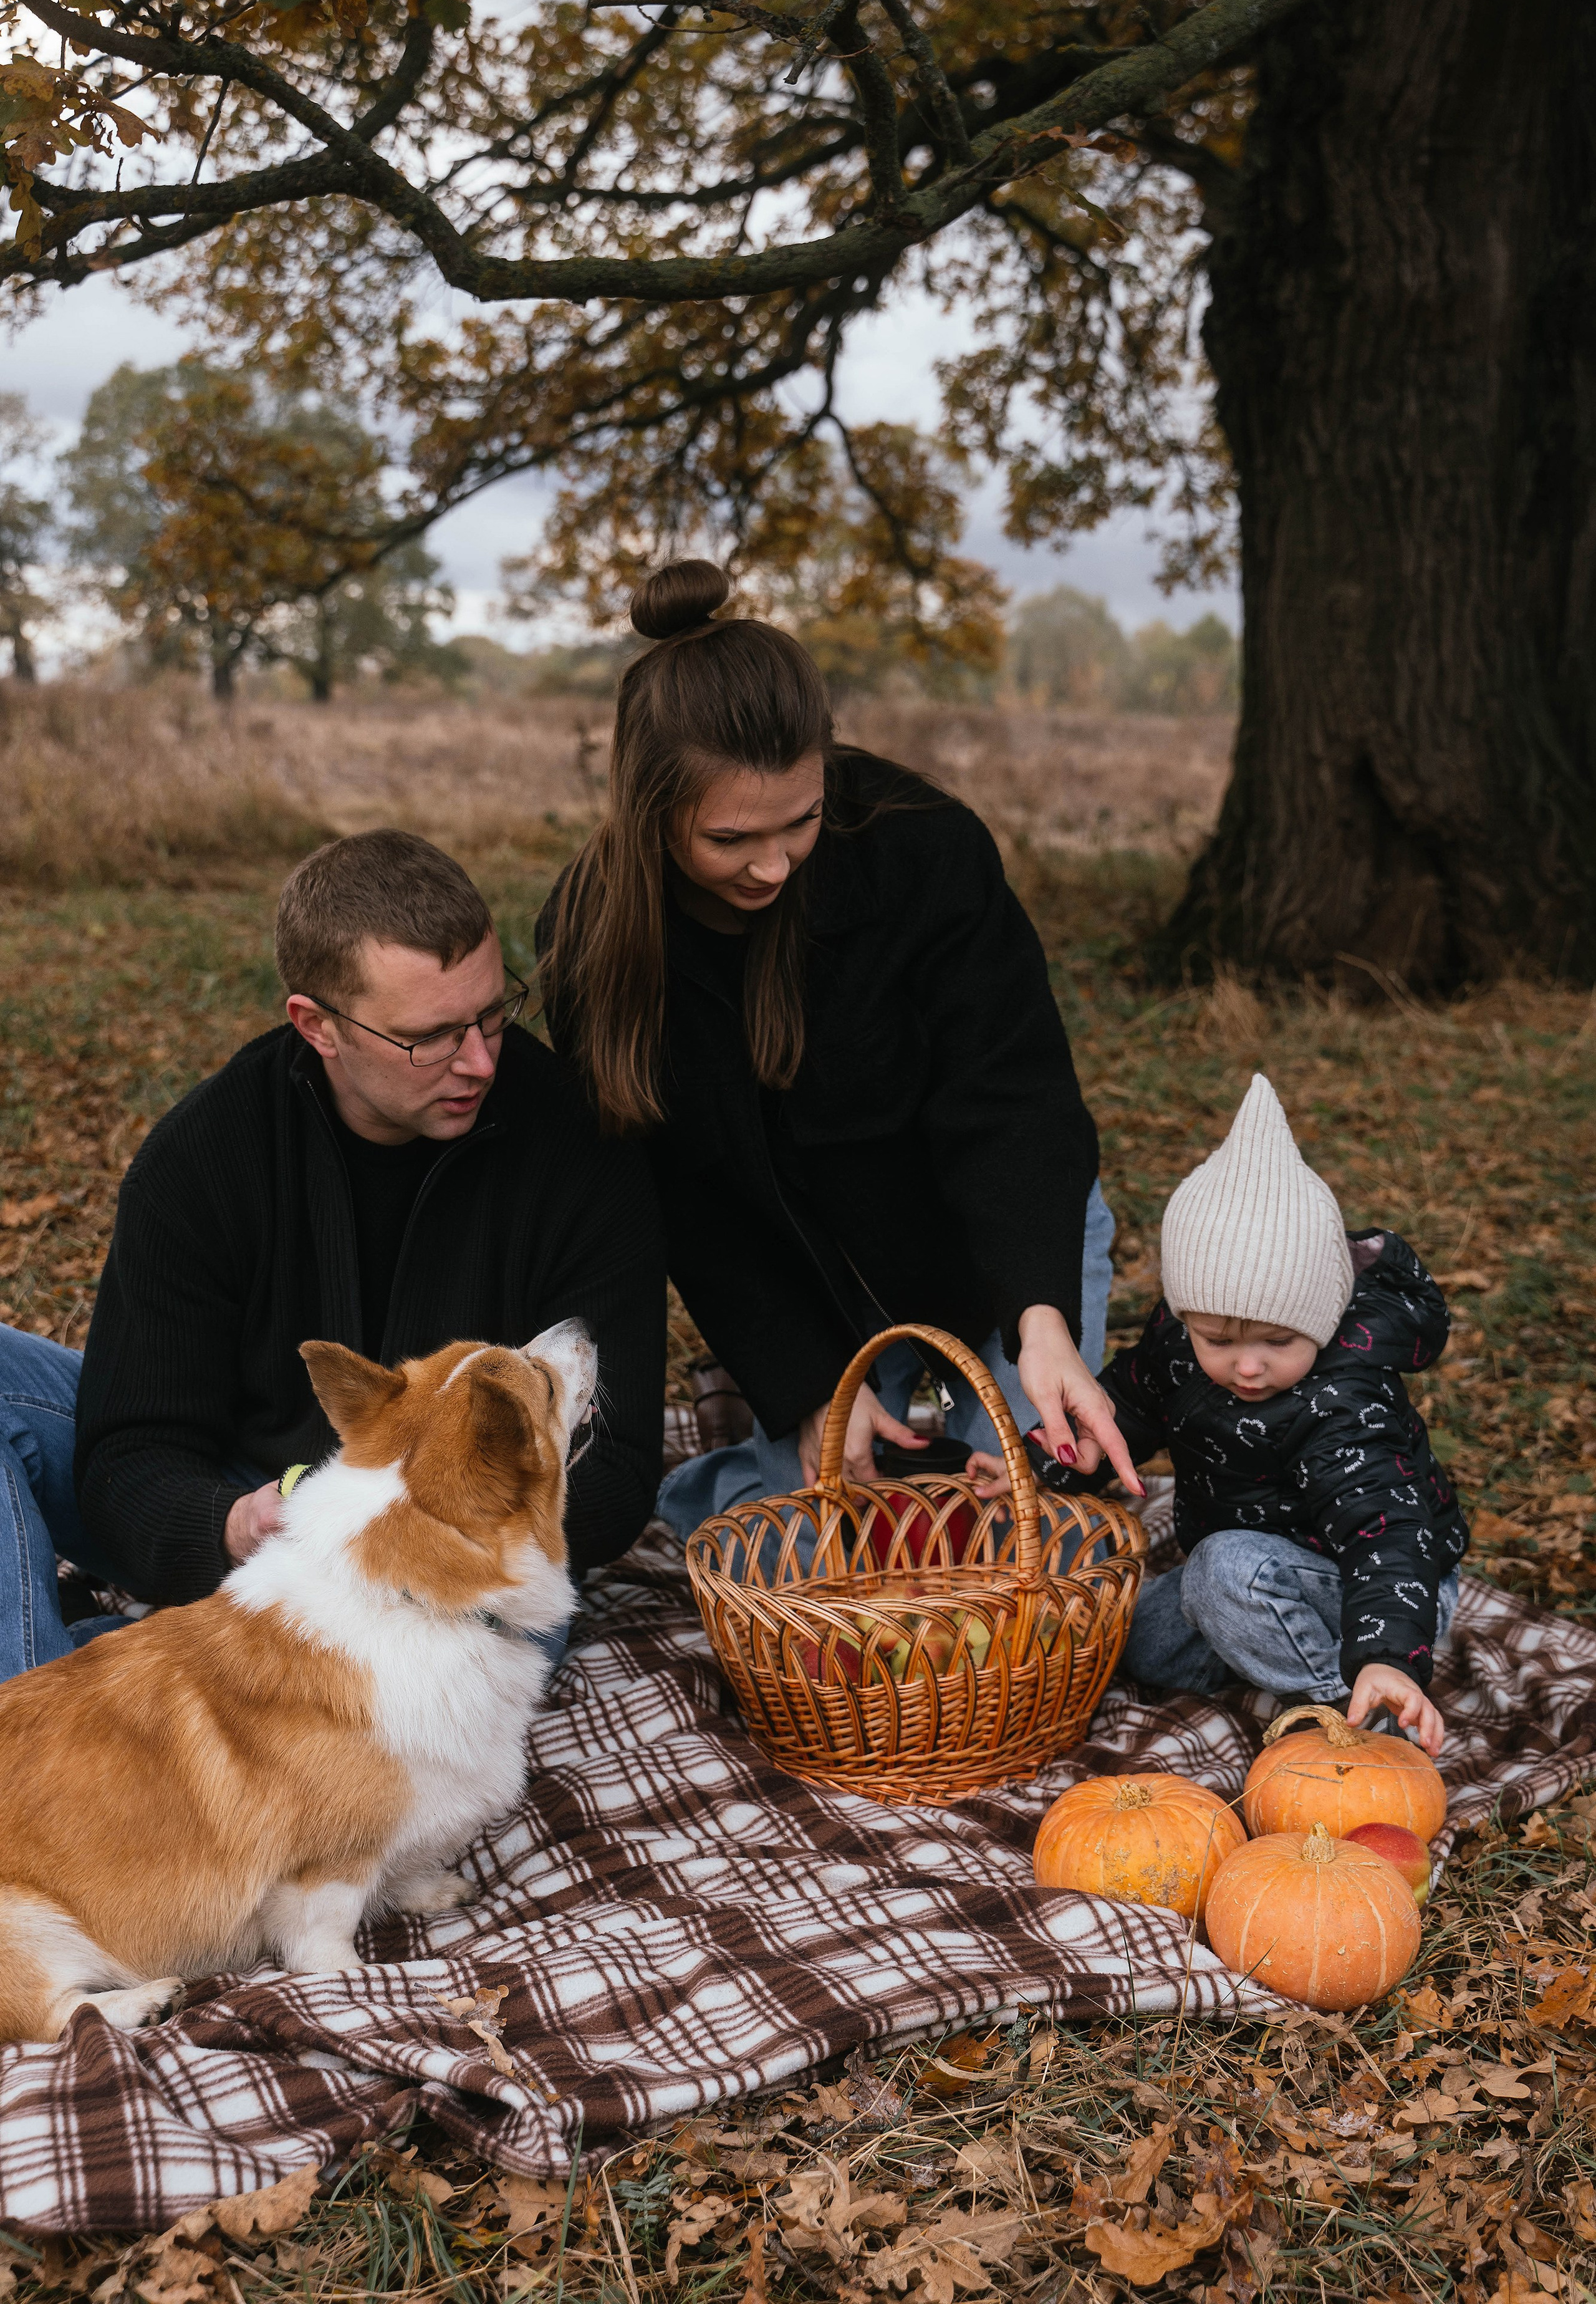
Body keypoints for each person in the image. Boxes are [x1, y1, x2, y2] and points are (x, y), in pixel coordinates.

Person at [537, 558, 1142, 1531]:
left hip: (999, 1247)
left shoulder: (924, 850)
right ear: (651, 810)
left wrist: (1043, 1322)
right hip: (808, 1296)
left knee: (1017, 1527)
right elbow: (685, 1201)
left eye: (802, 821)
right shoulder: (588, 942)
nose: (773, 866)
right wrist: (807, 1378)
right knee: (824, 1542)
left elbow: (1013, 1101)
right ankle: (726, 1487)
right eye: (731, 839)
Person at [0, 829, 665, 1684]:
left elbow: (617, 1461)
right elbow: (130, 1454)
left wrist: (420, 1529)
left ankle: (149, 1680)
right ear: (317, 1026)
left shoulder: (581, 1149)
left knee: (412, 1689)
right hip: (260, 1502)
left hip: (463, 1557)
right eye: (429, 1037)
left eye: (493, 1014)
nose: (478, 1060)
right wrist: (231, 1522)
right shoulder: (202, 1159)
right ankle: (27, 1715)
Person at [1068, 1073, 1466, 1755]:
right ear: (1187, 1317)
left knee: (1223, 1571)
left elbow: (1389, 1534)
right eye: (1217, 1341)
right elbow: (1127, 1405)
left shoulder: (1346, 1402)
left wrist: (1388, 1656)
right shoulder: (1181, 1344)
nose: (1246, 1366)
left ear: (1321, 1319)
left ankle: (1351, 1717)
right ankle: (1266, 1651)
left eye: (1278, 1342)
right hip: (1258, 1572)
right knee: (1135, 1640)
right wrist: (1045, 1462)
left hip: (1376, 1584)